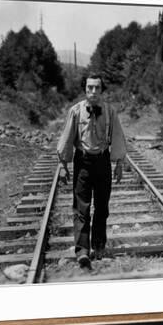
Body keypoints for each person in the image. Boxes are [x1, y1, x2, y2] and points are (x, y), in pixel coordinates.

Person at [57, 73, 127, 269]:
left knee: (102, 207)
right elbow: (67, 137)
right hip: (83, 162)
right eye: (90, 88)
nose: (93, 91)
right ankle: (82, 251)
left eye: (97, 88)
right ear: (85, 90)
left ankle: (98, 246)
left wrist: (119, 164)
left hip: (103, 161)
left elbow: (118, 137)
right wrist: (63, 165)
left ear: (102, 90)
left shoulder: (110, 112)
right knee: (81, 208)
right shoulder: (76, 111)